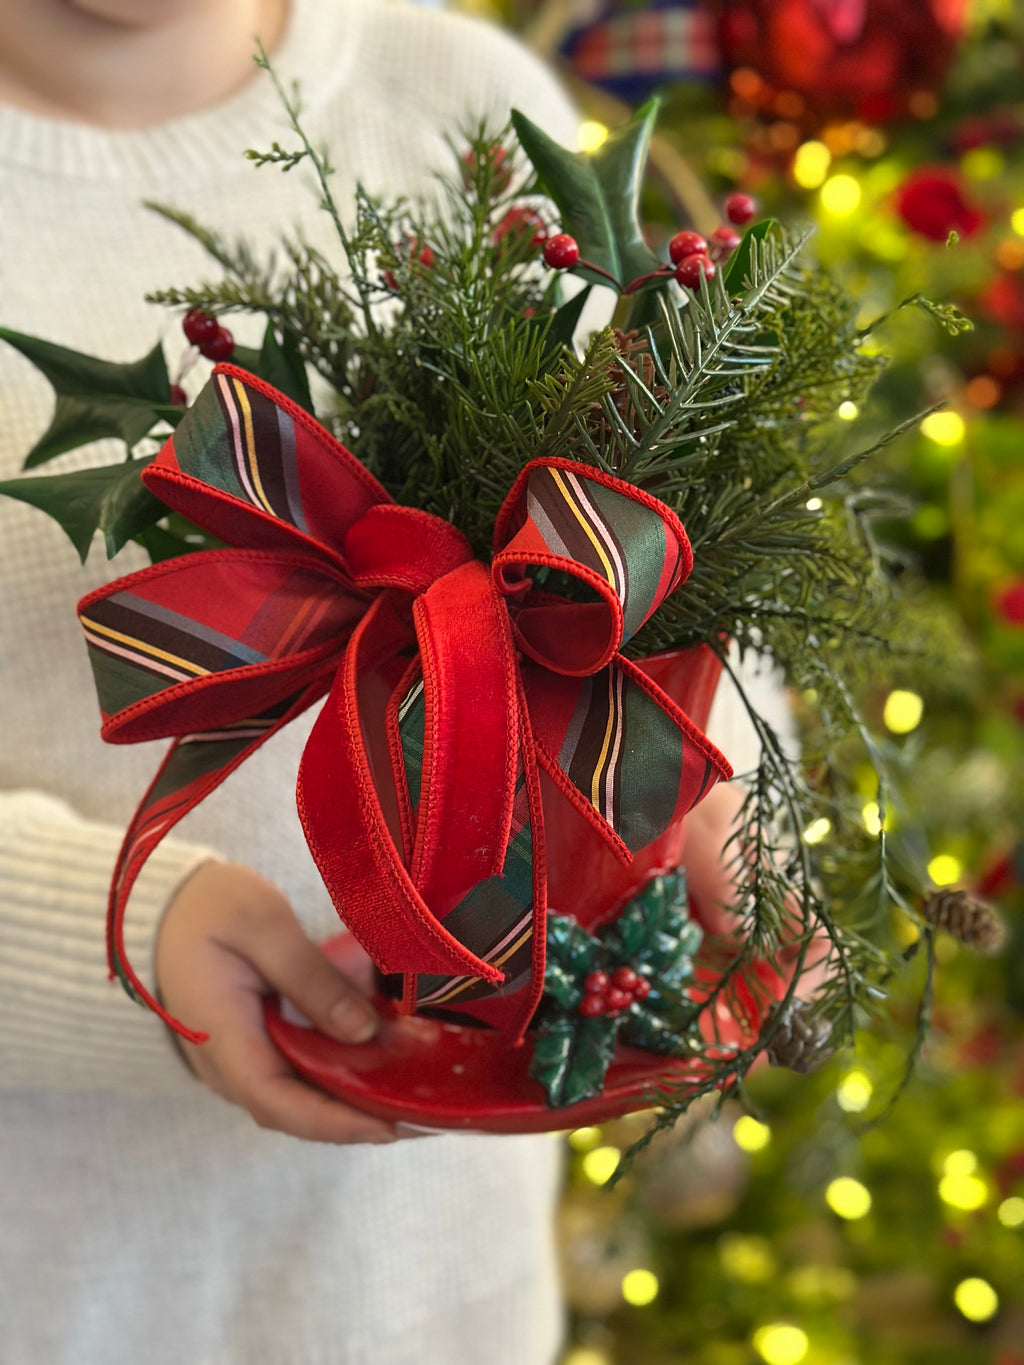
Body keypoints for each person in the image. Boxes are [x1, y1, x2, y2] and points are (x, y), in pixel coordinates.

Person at [0, 3, 777, 1362]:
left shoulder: (458, 100)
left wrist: (723, 796)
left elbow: (673, 553)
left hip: (428, 1296)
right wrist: (111, 943)